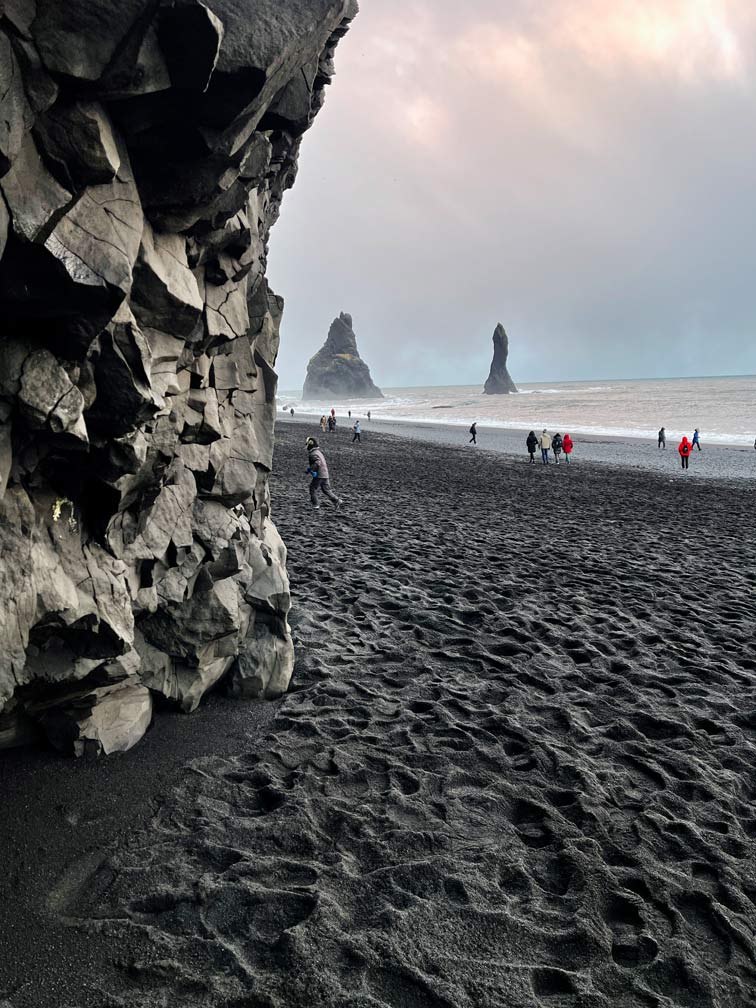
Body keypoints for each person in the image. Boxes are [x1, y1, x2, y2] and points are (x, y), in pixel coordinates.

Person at [305, 437, 341, 509]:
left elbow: (317, 463)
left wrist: (310, 469)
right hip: (325, 474)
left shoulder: (313, 454)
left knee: (312, 489)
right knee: (326, 490)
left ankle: (316, 505)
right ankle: (336, 500)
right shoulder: (318, 452)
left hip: (319, 475)